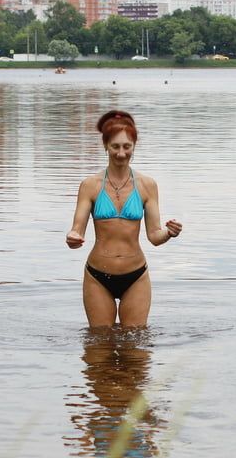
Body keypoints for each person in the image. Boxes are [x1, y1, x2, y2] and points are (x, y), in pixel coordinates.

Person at [66, 110, 183, 328]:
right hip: (97, 276)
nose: (121, 153)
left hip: (136, 276)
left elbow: (155, 236)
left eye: (127, 147)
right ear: (106, 147)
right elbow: (77, 231)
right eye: (115, 147)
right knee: (99, 348)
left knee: (137, 349)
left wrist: (169, 233)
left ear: (134, 147)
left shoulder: (147, 185)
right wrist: (72, 237)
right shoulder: (90, 185)